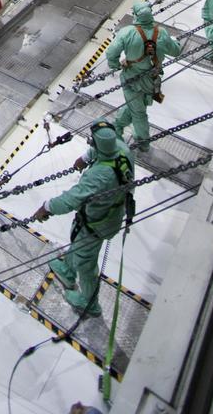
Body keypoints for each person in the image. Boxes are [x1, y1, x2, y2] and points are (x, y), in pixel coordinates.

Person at [31, 122, 134, 317]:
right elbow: (104, 149)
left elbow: (70, 200)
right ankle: (67, 269)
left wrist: (46, 208)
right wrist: (86, 157)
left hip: (98, 223)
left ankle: (89, 303)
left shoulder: (100, 176)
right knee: (78, 240)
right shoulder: (122, 149)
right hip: (101, 214)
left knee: (86, 262)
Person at [105, 0, 181, 150]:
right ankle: (118, 124)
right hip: (152, 79)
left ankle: (143, 142)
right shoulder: (162, 33)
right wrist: (175, 42)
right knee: (136, 104)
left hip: (131, 78)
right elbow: (176, 51)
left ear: (135, 15)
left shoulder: (127, 32)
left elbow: (111, 53)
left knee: (139, 112)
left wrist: (115, 65)